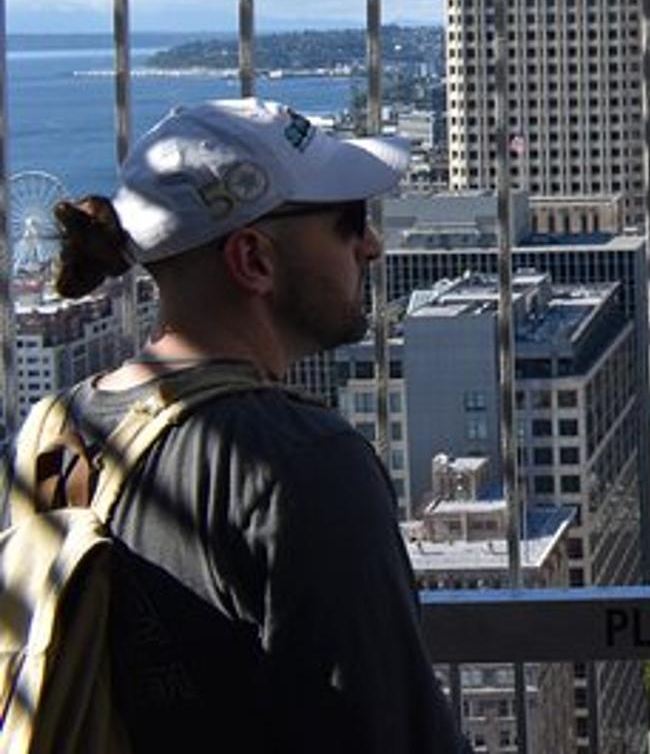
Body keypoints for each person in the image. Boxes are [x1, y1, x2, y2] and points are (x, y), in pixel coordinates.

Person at [46, 97, 465, 754]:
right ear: (254, 260)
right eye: (349, 221)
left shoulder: (51, 437)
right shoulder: (302, 465)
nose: (372, 245)